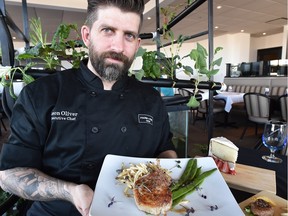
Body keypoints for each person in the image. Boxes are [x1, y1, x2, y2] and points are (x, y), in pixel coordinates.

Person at [0, 0, 177, 215]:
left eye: (128, 35)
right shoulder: (41, 94)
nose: (118, 47)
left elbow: (165, 149)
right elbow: (9, 175)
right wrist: (70, 191)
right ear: (86, 36)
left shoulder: (151, 99)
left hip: (136, 209)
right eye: (108, 31)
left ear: (137, 44)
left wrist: (170, 171)